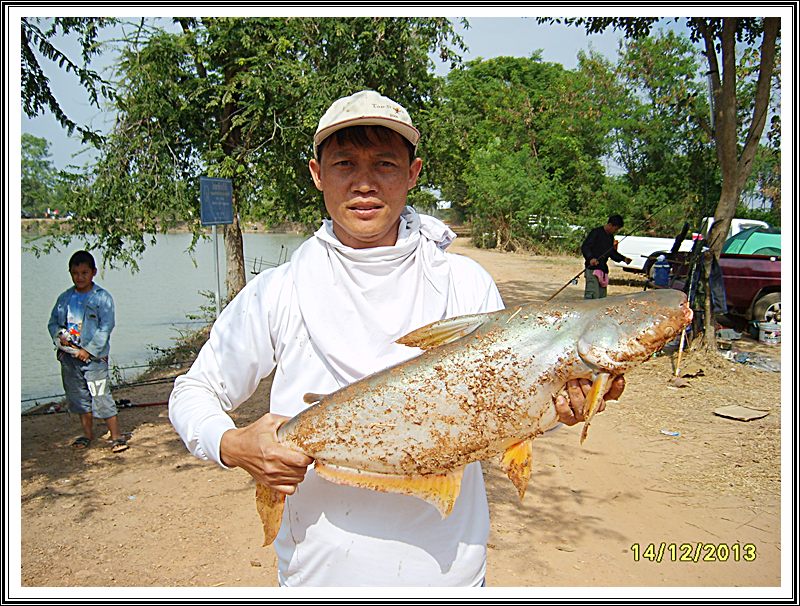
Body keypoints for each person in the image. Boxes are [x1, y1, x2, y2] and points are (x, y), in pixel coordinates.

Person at [169, 90, 624, 587]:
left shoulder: (464, 284)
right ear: (317, 174)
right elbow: (194, 392)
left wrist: (562, 409)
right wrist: (232, 444)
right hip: (318, 579)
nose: (364, 182)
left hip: (449, 575)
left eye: (385, 164)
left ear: (413, 173)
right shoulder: (277, 292)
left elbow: (507, 410)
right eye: (344, 163)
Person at [47, 250, 128, 452]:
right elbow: (53, 324)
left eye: (84, 273)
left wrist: (89, 351)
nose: (80, 277)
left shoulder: (102, 298)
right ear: (70, 273)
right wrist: (61, 339)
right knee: (79, 397)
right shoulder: (64, 298)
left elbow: (106, 327)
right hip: (70, 359)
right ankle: (87, 434)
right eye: (75, 273)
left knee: (101, 394)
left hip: (94, 360)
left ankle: (116, 436)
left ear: (93, 272)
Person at [580, 214, 632, 299]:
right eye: (615, 229)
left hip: (603, 270)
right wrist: (590, 258)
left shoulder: (610, 237)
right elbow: (585, 247)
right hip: (592, 269)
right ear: (610, 225)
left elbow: (612, 252)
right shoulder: (596, 232)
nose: (616, 231)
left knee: (602, 298)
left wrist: (623, 259)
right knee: (592, 296)